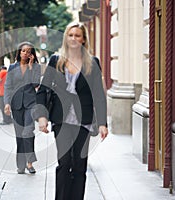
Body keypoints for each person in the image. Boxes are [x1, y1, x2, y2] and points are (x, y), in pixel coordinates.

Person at [34, 22, 108, 199]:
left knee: (79, 165)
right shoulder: (56, 60)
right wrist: (42, 116)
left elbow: (98, 94)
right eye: (71, 35)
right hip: (62, 119)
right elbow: (43, 89)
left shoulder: (92, 62)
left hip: (85, 120)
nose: (74, 38)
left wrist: (103, 123)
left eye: (78, 35)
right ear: (66, 38)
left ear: (83, 40)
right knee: (64, 161)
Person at [4, 41, 41, 174]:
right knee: (19, 134)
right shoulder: (12, 67)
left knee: (28, 132)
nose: (26, 53)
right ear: (19, 52)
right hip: (16, 104)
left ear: (32, 54)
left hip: (31, 103)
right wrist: (7, 103)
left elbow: (36, 84)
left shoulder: (36, 67)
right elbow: (8, 86)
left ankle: (30, 163)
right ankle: (20, 164)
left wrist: (31, 68)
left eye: (29, 51)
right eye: (23, 51)